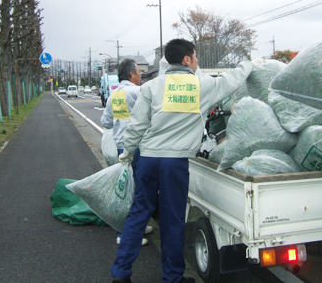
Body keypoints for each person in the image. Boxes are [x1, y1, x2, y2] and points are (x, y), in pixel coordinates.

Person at [110, 38, 265, 283]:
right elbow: (231, 80)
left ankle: (121, 272)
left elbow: (137, 126)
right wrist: (250, 64)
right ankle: (172, 278)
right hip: (175, 162)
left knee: (138, 213)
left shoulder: (151, 87)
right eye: (195, 57)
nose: (196, 62)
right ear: (186, 59)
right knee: (173, 220)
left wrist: (127, 154)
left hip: (148, 158)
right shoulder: (201, 85)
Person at [100, 58, 153, 246]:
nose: (140, 76)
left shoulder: (115, 95)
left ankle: (133, 227)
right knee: (136, 191)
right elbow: (155, 94)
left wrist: (121, 120)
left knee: (126, 187)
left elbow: (105, 122)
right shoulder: (133, 91)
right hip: (135, 147)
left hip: (120, 147)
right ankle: (125, 234)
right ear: (131, 74)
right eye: (139, 72)